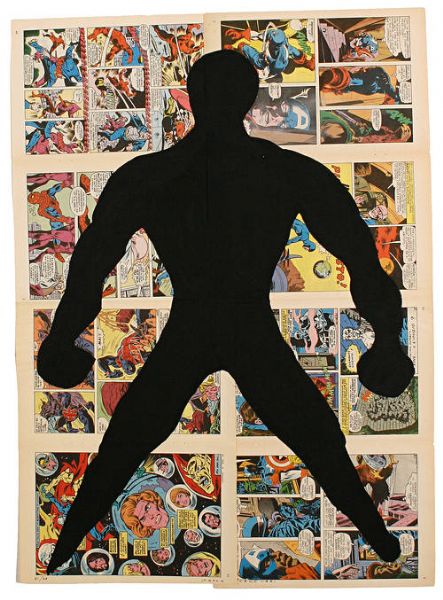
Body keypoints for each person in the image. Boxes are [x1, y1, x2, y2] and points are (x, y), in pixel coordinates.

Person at [38, 50, 414, 574]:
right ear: (249, 100)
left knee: (127, 439)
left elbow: (90, 264)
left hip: (193, 326)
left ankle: (60, 551)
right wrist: (387, 341)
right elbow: (360, 257)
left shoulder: (148, 174)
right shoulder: (288, 171)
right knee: (318, 438)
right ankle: (382, 542)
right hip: (247, 327)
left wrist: (62, 341)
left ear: (191, 98)